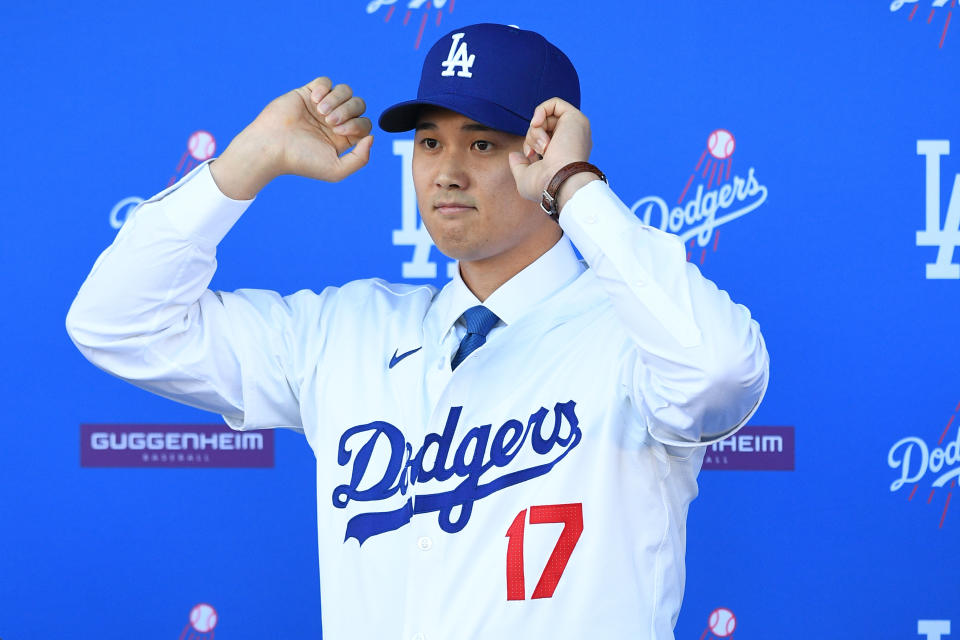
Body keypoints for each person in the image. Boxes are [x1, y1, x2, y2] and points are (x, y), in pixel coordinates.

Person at [67, 23, 768, 640]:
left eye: (485, 143)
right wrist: (248, 161)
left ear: (544, 152)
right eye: (429, 141)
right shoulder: (342, 332)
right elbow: (116, 322)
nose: (448, 171)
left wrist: (577, 187)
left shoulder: (634, 339)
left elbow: (720, 374)